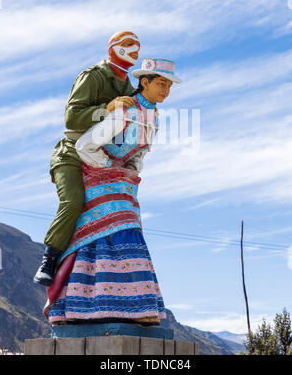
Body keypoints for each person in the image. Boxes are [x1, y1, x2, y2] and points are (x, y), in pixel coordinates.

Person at [43, 58, 181, 326]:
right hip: (99, 176)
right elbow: (85, 146)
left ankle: (133, 307)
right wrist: (109, 168)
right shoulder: (125, 112)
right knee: (115, 229)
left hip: (123, 181)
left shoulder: (153, 116)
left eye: (169, 85)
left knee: (128, 228)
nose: (166, 90)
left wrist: (130, 170)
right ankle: (87, 307)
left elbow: (140, 152)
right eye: (161, 83)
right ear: (145, 82)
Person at [34, 30, 141, 286]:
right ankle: (49, 259)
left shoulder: (130, 88)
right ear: (113, 47)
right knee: (73, 201)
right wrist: (106, 109)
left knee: (117, 209)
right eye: (128, 44)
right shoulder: (92, 76)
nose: (134, 50)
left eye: (137, 46)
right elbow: (71, 118)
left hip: (105, 158)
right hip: (72, 152)